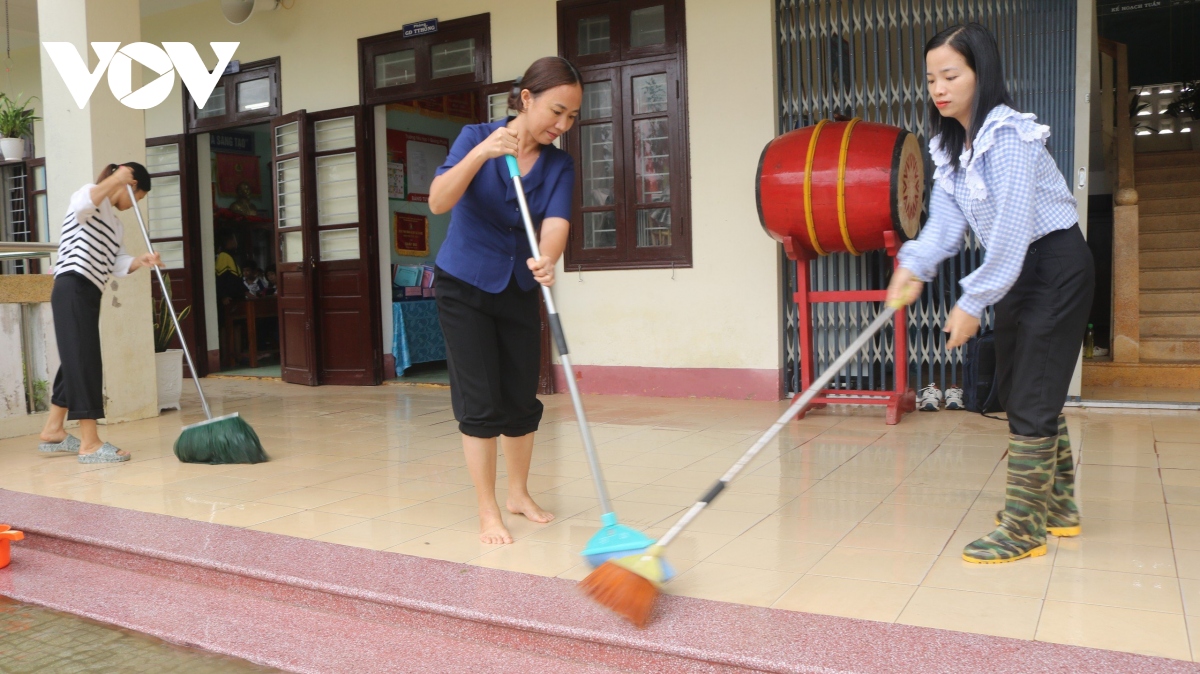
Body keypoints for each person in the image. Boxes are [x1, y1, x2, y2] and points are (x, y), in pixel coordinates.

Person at [886, 24, 1093, 564]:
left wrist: (972, 300)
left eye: (951, 74)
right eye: (931, 77)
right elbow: (946, 225)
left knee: (1031, 390)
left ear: (983, 73)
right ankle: (1060, 508)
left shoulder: (1010, 137)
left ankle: (1024, 529)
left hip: (1054, 264)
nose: (938, 87)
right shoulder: (952, 147)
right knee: (1019, 383)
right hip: (1019, 271)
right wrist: (913, 265)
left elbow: (1011, 231)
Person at [428, 56, 582, 544]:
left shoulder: (559, 163)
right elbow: (437, 200)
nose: (562, 125)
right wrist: (482, 155)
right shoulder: (475, 136)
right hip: (464, 285)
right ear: (527, 98)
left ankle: (518, 493)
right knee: (480, 400)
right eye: (556, 111)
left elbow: (556, 222)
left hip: (518, 286)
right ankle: (487, 508)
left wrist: (549, 258)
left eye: (572, 117)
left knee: (520, 394)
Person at [37, 163, 161, 464]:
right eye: (138, 196)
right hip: (72, 284)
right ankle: (90, 443)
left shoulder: (115, 224)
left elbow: (117, 262)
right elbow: (83, 205)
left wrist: (139, 260)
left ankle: (53, 430)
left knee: (75, 358)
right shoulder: (89, 197)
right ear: (128, 184)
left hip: (91, 291)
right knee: (84, 360)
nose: (137, 204)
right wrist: (117, 178)